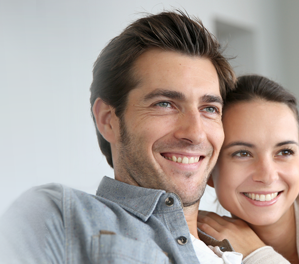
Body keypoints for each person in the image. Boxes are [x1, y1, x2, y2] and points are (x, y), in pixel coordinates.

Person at [0, 10, 252, 264]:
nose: (195, 133)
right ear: (108, 119)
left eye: (209, 109)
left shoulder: (247, 251)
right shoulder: (60, 217)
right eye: (165, 104)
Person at [198, 74, 299, 264]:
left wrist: (256, 253)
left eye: (285, 152)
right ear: (210, 170)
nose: (268, 176)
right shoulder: (203, 248)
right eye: (242, 153)